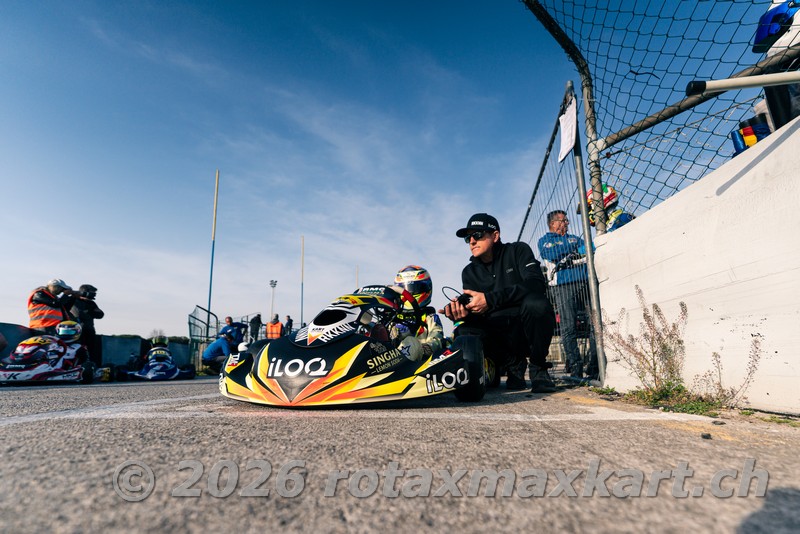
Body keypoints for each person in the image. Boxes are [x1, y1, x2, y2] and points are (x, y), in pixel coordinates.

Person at [441, 213, 557, 393]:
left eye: (477, 235)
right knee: (463, 330)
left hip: (523, 329)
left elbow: (535, 284)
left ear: (495, 236)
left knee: (537, 304)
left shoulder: (518, 251)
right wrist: (462, 313)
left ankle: (538, 368)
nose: (472, 241)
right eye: (468, 238)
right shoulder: (469, 272)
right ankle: (512, 366)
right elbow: (477, 315)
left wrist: (490, 299)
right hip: (498, 337)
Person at [538, 210, 598, 380]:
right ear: (553, 223)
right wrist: (576, 251)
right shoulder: (545, 241)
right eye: (564, 220)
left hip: (585, 282)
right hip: (563, 285)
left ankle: (594, 367)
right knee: (568, 327)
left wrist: (569, 253)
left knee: (595, 323)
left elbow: (591, 248)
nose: (567, 223)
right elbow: (551, 254)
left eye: (567, 220)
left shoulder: (575, 238)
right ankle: (575, 367)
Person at [391, 265, 444, 360]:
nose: (409, 293)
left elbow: (436, 338)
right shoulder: (393, 318)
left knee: (411, 342)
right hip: (389, 360)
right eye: (404, 289)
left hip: (420, 362)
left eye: (413, 289)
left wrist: (425, 348)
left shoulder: (430, 317)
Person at [70, 284, 105, 366]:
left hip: (89, 330)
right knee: (78, 350)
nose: (94, 295)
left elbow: (100, 314)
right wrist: (91, 312)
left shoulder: (91, 303)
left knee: (92, 351)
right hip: (77, 331)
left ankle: (91, 367)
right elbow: (79, 314)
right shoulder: (74, 301)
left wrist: (88, 311)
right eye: (92, 292)